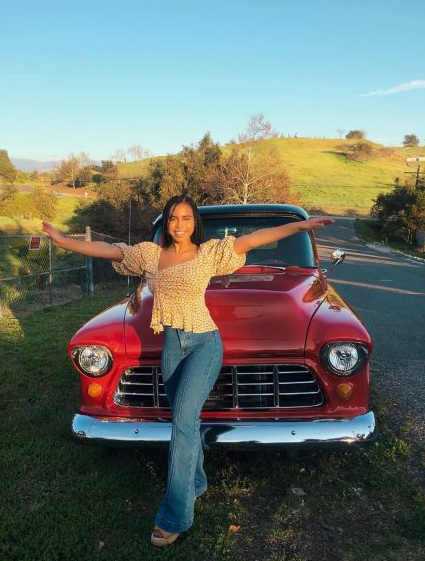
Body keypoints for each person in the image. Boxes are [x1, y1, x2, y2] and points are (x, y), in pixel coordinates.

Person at [42, 195, 334, 547]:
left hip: (204, 345)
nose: (179, 224)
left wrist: (300, 226)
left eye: (185, 218)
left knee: (182, 421)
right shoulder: (150, 256)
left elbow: (255, 239)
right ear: (167, 223)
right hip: (171, 348)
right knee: (185, 420)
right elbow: (109, 250)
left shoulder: (209, 253)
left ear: (194, 222)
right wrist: (61, 240)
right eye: (173, 218)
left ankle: (175, 515)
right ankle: (196, 482)